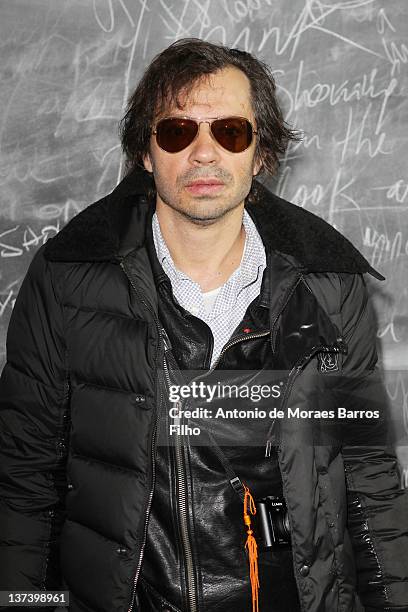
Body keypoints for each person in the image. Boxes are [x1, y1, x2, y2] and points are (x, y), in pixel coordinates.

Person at [0, 38, 407, 612]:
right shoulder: (68, 280)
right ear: (146, 152)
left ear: (259, 152)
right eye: (176, 131)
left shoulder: (328, 284)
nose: (204, 152)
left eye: (231, 132)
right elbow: (24, 479)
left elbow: (368, 477)